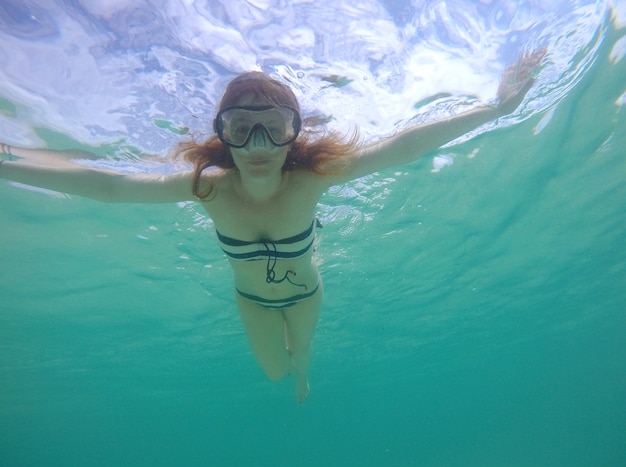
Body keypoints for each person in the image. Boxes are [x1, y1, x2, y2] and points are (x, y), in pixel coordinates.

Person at [0, 50, 544, 403]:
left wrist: (496, 108)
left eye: (273, 128)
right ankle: (294, 376)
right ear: (223, 134)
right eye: (243, 128)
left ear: (293, 134)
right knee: (273, 375)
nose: (258, 146)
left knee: (299, 362)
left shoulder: (309, 181)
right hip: (252, 300)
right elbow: (114, 186)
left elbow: (402, 146)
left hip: (307, 293)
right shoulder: (209, 185)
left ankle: (307, 372)